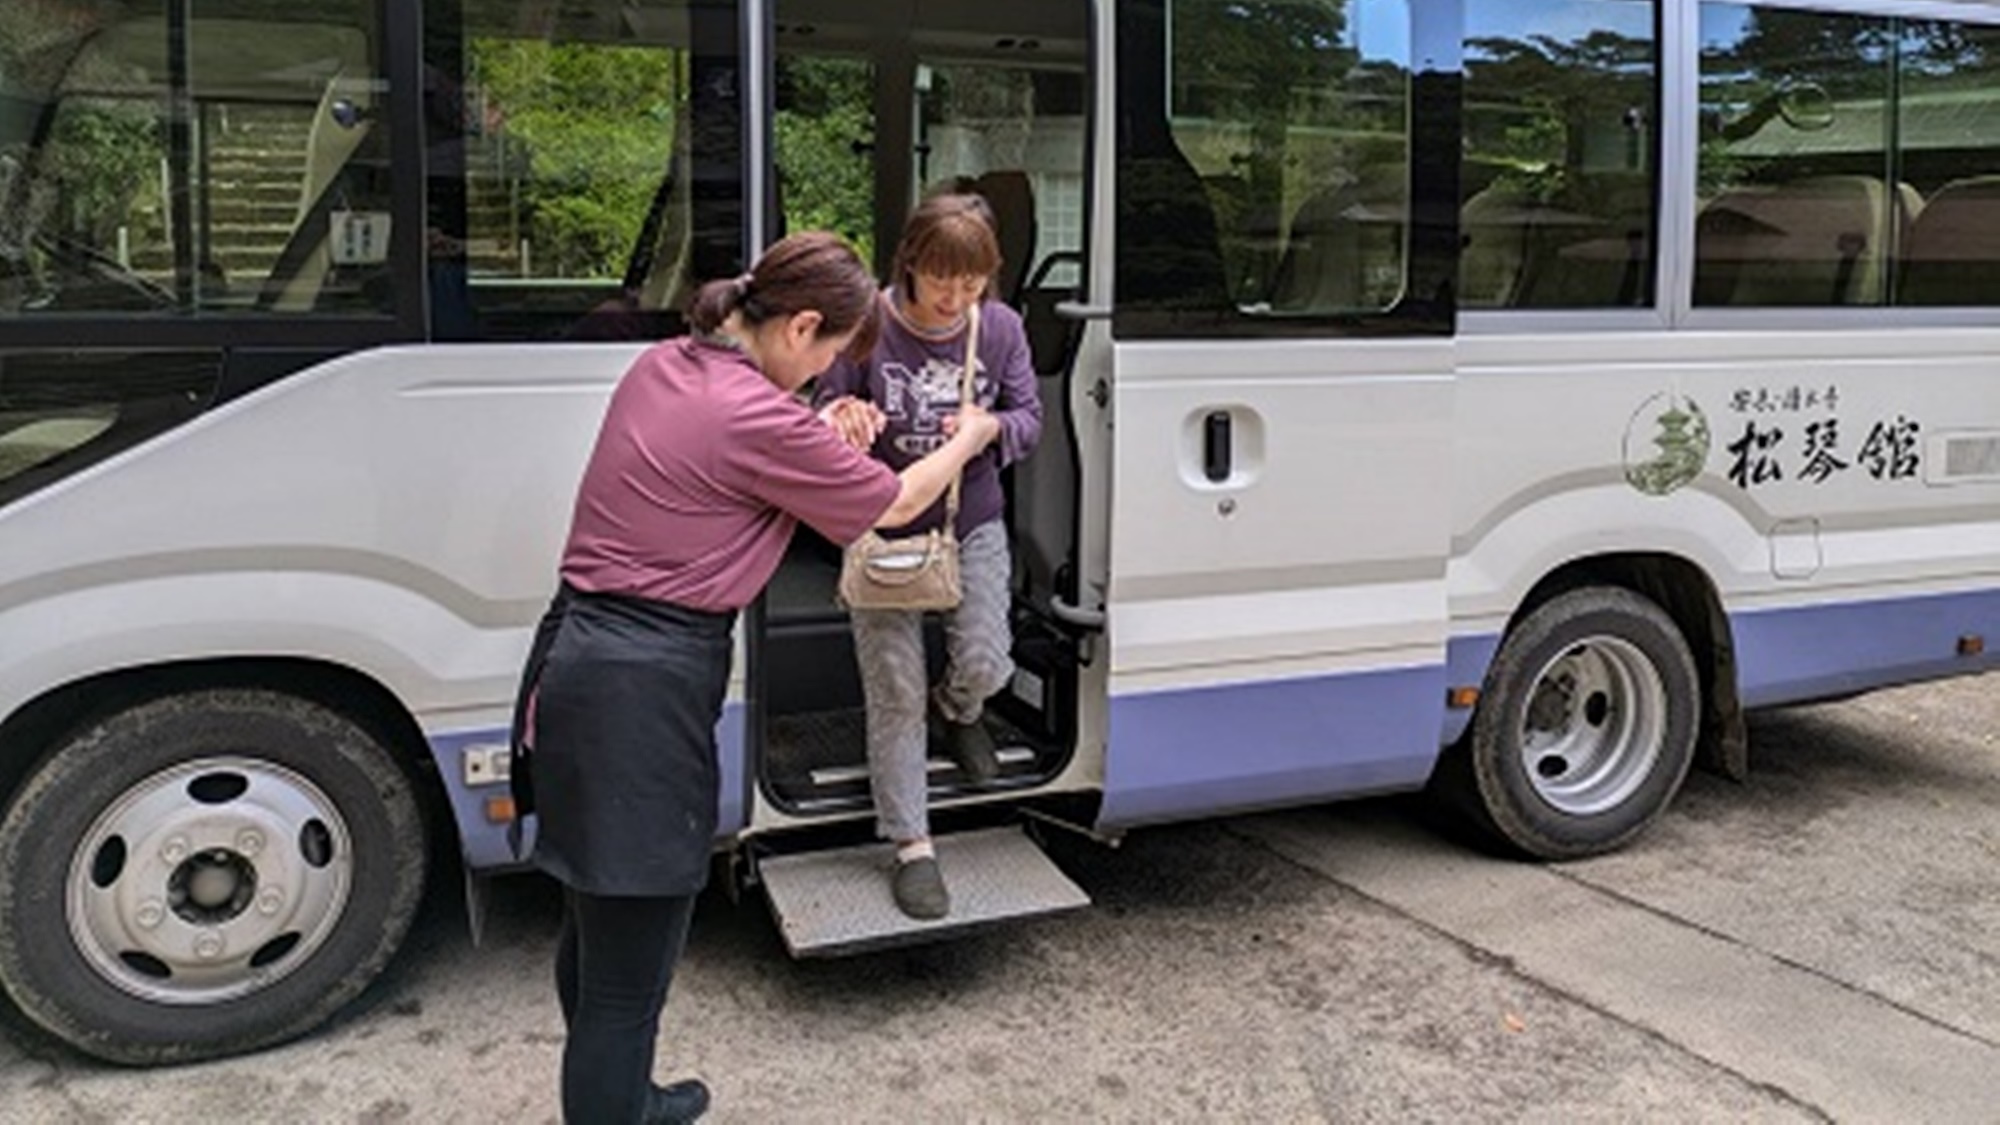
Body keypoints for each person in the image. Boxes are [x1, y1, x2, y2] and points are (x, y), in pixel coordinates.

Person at [508, 231, 1001, 1124]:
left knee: (594, 924)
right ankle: (615, 1107)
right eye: (826, 355)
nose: (822, 373)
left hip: (576, 660)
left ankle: (629, 1097)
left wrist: (817, 421)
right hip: (643, 692)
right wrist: (968, 438)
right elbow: (890, 506)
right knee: (630, 975)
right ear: (800, 325)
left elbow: (722, 464)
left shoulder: (665, 365)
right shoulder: (758, 416)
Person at [815, 194, 1044, 920]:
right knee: (894, 687)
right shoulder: (867, 325)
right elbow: (818, 410)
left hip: (969, 521)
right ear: (910, 263)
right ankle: (912, 843)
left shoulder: (1000, 328)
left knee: (983, 656)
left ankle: (962, 707)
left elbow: (1029, 420)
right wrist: (840, 416)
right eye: (943, 280)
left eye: (972, 283)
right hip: (879, 528)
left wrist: (987, 430)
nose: (955, 299)